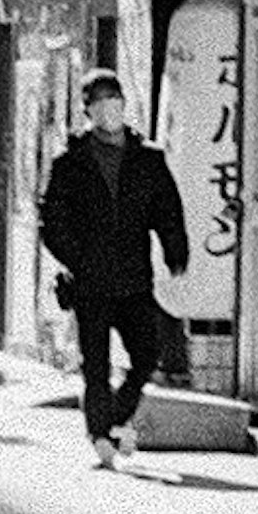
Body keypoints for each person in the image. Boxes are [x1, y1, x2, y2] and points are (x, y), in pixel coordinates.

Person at [35, 66, 191, 452]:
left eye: (115, 99)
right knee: (97, 363)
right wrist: (77, 258)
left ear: (124, 103)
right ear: (87, 110)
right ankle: (100, 433)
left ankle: (118, 418)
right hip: (90, 280)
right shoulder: (69, 163)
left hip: (134, 275)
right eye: (100, 101)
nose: (109, 108)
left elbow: (167, 209)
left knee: (146, 354)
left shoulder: (147, 159)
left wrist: (176, 250)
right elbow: (51, 221)